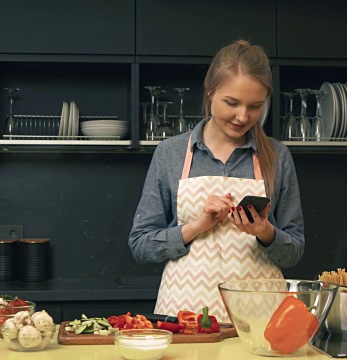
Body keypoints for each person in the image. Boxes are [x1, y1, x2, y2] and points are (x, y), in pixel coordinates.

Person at [128, 40, 305, 323]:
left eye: (255, 106)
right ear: (210, 93)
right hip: (183, 318)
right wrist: (197, 226)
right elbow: (140, 245)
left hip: (262, 320)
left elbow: (294, 251)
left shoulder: (277, 156)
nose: (243, 116)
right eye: (232, 103)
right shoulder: (170, 154)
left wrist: (265, 231)